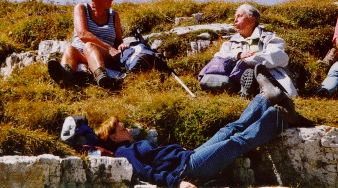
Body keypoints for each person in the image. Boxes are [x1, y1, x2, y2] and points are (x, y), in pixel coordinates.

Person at [95, 64, 312, 188]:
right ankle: (279, 117)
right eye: (119, 127)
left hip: (190, 157)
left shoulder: (135, 145)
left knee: (227, 130)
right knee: (235, 142)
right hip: (188, 169)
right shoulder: (124, 151)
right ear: (113, 137)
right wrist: (177, 183)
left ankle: (266, 97)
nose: (125, 127)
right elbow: (145, 172)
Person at [48, 0, 128, 88]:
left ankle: (102, 77)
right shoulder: (81, 8)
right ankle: (66, 76)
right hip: (81, 55)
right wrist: (109, 47)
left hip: (104, 56)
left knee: (90, 46)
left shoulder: (114, 15)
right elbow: (82, 34)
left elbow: (119, 41)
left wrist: (120, 46)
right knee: (69, 48)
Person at [214, 4, 298, 97]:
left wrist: (249, 61)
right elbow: (218, 57)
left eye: (239, 16)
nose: (235, 20)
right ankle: (246, 90)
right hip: (235, 77)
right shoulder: (230, 43)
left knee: (256, 73)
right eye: (235, 17)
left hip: (267, 77)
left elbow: (279, 56)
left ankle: (254, 88)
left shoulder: (269, 38)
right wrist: (239, 55)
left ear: (252, 20)